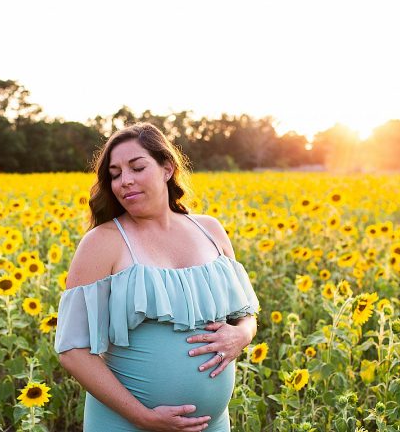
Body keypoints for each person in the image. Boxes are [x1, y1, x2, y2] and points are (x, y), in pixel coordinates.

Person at [55, 123, 260, 432]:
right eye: (115, 174)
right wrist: (141, 416)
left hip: (213, 424)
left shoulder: (210, 230)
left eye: (137, 167)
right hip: (126, 424)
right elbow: (72, 350)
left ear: (167, 168)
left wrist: (242, 335)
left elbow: (246, 315)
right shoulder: (103, 242)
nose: (125, 181)